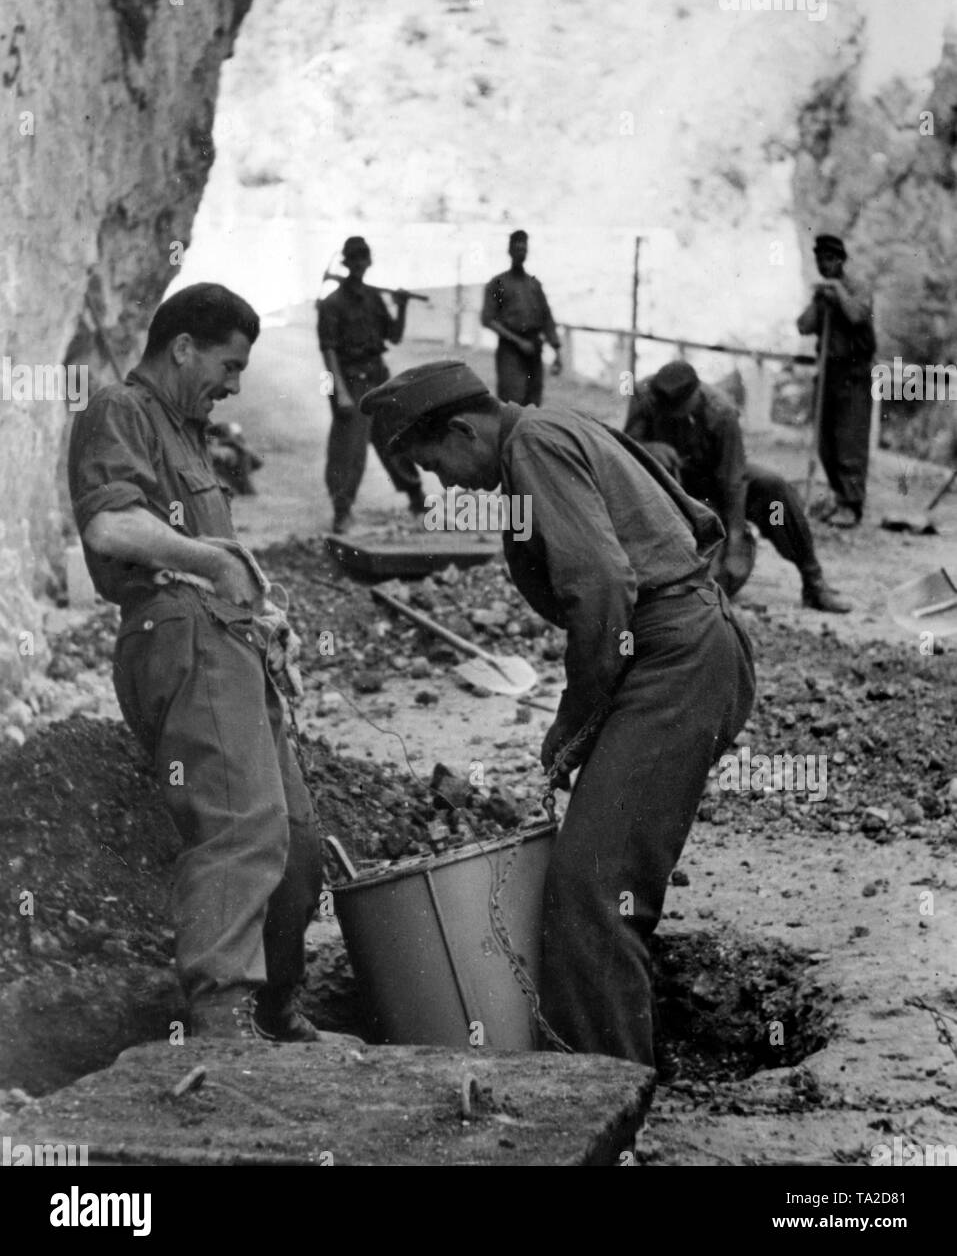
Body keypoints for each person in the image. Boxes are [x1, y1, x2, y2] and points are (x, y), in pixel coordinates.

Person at [360, 361, 755, 1066]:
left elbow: (601, 585)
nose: (444, 484)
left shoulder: (532, 446)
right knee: (599, 880)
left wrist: (573, 721)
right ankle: (602, 1072)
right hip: (670, 655)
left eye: (435, 464)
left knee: (594, 894)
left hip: (674, 662)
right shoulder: (545, 432)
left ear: (461, 429)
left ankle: (604, 1103)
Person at [68, 283, 325, 1041]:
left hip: (232, 641)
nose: (235, 384)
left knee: (298, 843)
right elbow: (112, 526)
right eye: (229, 364)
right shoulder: (120, 409)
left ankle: (279, 1011)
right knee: (242, 826)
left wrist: (261, 609)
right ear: (183, 347)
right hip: (179, 634)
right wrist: (212, 567)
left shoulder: (185, 429)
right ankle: (222, 1014)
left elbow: (216, 557)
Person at [624, 360, 851, 613]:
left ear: (695, 395)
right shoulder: (645, 395)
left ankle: (814, 582)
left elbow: (733, 481)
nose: (670, 413)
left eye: (677, 409)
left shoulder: (721, 413)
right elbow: (622, 450)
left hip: (714, 487)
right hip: (665, 490)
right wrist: (648, 448)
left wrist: (734, 545)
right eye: (666, 409)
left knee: (772, 488)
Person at [317, 235, 426, 532]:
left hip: (379, 379)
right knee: (348, 449)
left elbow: (394, 336)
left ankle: (418, 500)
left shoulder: (374, 298)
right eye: (354, 259)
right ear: (347, 263)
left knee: (395, 439)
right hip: (350, 383)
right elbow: (328, 353)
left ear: (369, 262)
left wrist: (401, 306)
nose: (360, 264)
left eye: (364, 258)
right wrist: (338, 393)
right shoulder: (331, 304)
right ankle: (342, 511)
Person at [797, 233, 876, 528]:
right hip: (829, 372)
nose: (824, 265)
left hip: (854, 374)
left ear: (841, 260)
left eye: (829, 260)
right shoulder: (824, 294)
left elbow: (857, 316)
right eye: (820, 260)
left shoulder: (858, 287)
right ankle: (837, 496)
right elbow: (803, 326)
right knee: (826, 442)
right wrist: (819, 300)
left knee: (849, 440)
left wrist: (838, 291)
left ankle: (852, 505)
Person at [481, 229, 562, 406]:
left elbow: (547, 318)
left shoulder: (534, 284)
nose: (521, 253)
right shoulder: (498, 283)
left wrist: (556, 350)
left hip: (534, 349)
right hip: (510, 350)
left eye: (524, 249)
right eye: (517, 249)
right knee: (511, 402)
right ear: (509, 251)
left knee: (533, 404)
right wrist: (518, 342)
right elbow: (488, 319)